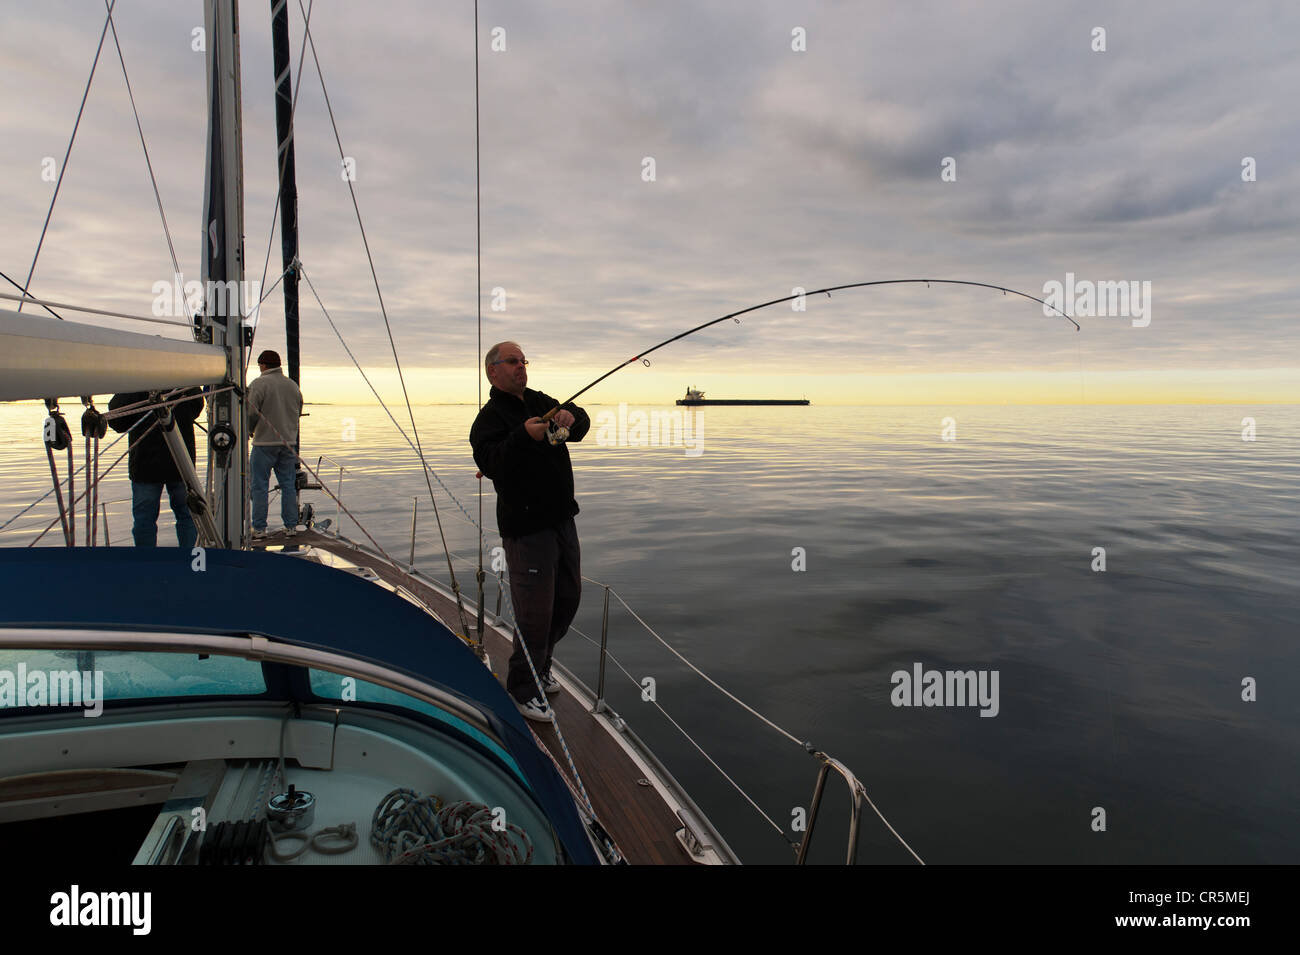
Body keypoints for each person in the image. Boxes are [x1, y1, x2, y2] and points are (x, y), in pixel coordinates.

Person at [469, 341, 590, 722]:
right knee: (535, 611)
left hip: (562, 520)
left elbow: (581, 422)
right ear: (492, 370)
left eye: (523, 361)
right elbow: (490, 462)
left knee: (567, 599)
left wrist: (572, 417)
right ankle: (523, 688)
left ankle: (541, 665)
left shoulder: (541, 401)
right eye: (512, 361)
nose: (521, 367)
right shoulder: (488, 419)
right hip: (525, 529)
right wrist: (523, 435)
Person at [108, 388, 205, 549]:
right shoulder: (186, 383)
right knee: (187, 516)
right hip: (180, 461)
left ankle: (146, 563)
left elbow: (117, 421)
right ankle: (190, 561)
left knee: (144, 519)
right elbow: (196, 408)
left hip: (146, 464)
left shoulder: (137, 384)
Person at [248, 349, 304, 538]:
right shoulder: (292, 385)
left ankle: (259, 528)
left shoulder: (259, 384)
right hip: (288, 442)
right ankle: (290, 526)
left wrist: (248, 430)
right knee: (288, 484)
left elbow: (251, 412)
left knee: (259, 486)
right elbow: (298, 409)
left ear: (263, 365)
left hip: (264, 443)